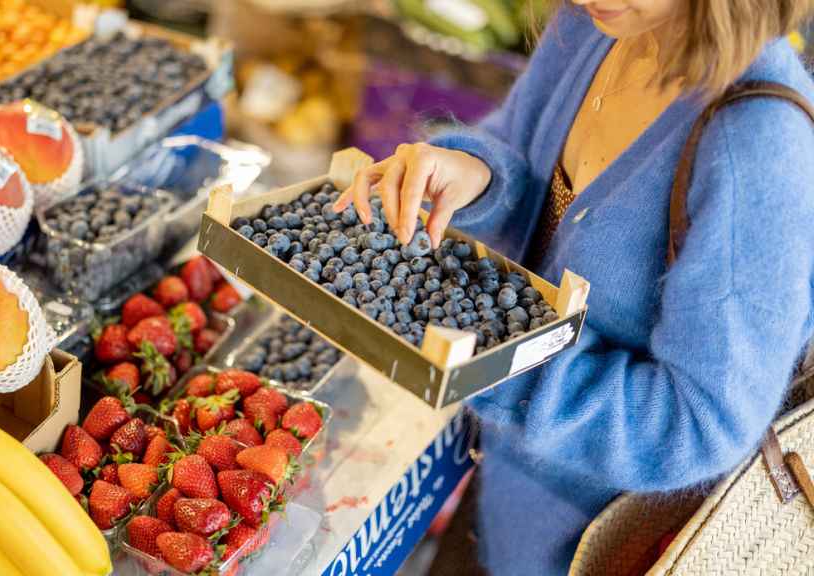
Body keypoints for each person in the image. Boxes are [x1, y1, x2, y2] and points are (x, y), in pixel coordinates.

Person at [335, 1, 814, 574]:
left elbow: (700, 424)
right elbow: (517, 145)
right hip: (495, 496)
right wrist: (477, 175)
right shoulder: (594, 24)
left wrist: (500, 362)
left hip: (586, 551)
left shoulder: (759, 145)